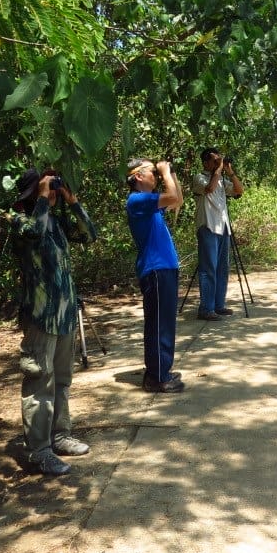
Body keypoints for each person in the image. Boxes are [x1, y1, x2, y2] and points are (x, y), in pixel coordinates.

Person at [11, 167, 98, 476]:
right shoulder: (21, 222)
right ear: (32, 194)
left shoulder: (58, 223)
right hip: (40, 318)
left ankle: (59, 435)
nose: (51, 193)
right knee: (39, 382)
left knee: (62, 381)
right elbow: (33, 231)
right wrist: (43, 200)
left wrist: (72, 202)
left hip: (64, 316)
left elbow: (90, 233)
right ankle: (39, 450)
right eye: (44, 188)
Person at [126, 158, 186, 393]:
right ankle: (157, 376)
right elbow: (171, 197)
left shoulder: (148, 201)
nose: (157, 175)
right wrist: (165, 173)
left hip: (164, 267)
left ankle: (162, 369)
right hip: (155, 268)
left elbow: (177, 199)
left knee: (165, 322)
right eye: (152, 171)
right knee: (159, 324)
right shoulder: (137, 200)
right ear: (138, 176)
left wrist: (171, 174)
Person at [190, 147, 244, 320]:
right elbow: (209, 189)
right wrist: (219, 170)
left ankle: (218, 305)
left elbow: (239, 191)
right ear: (206, 162)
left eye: (218, 160)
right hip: (207, 227)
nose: (217, 163)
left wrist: (230, 173)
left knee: (222, 268)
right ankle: (206, 308)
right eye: (214, 160)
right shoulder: (199, 178)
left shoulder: (220, 179)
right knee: (208, 269)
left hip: (223, 227)